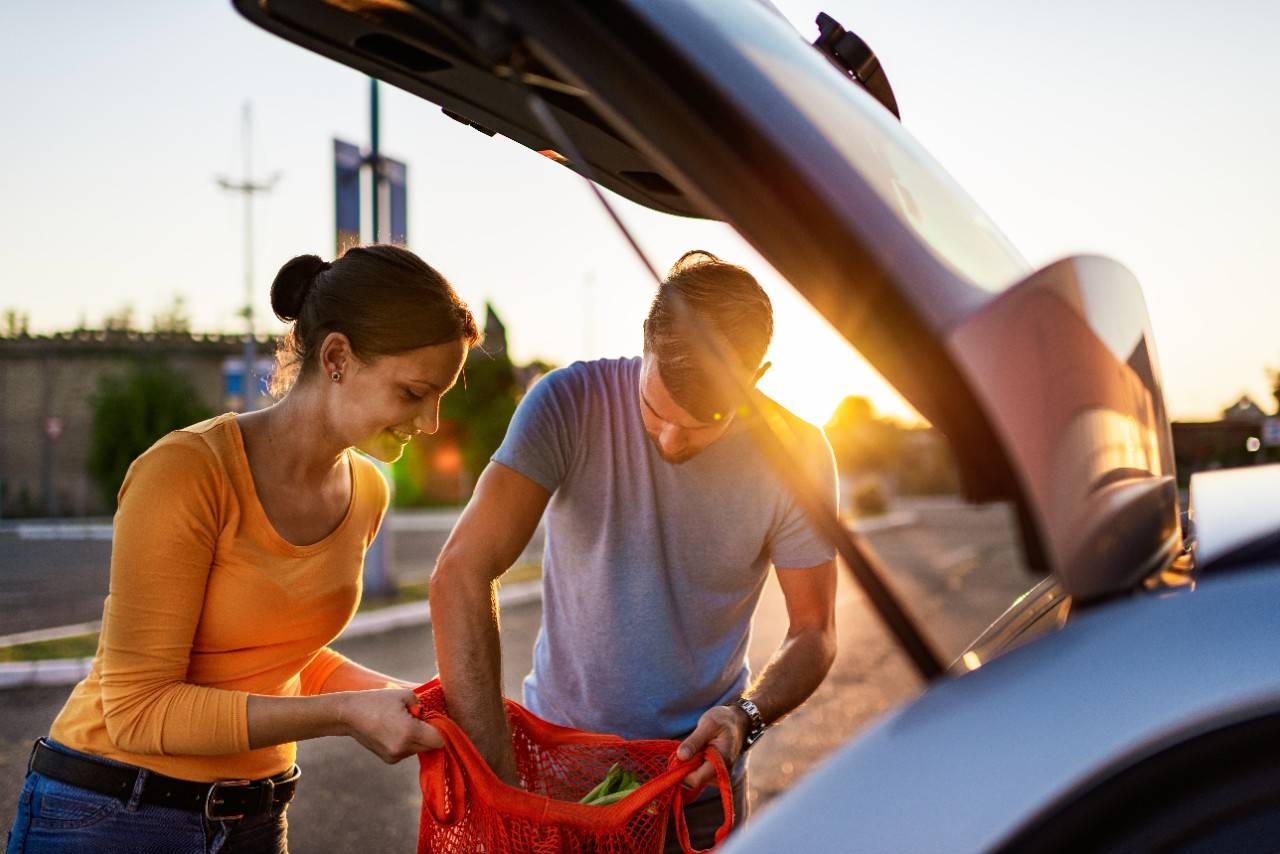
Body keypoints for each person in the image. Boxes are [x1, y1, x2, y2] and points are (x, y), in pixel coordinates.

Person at [5, 245, 478, 854]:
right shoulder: (187, 471)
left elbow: (279, 656)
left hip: (255, 820)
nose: (432, 421)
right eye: (414, 392)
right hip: (112, 815)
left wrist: (416, 703)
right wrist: (347, 715)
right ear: (336, 357)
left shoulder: (367, 493)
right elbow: (136, 710)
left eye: (440, 395)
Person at [429, 250, 839, 850]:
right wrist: (499, 778)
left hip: (692, 786)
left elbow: (815, 631)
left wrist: (745, 719)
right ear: (645, 337)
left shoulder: (798, 455)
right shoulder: (566, 402)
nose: (671, 441)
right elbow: (461, 572)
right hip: (558, 778)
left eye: (703, 423)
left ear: (758, 374)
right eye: (655, 411)